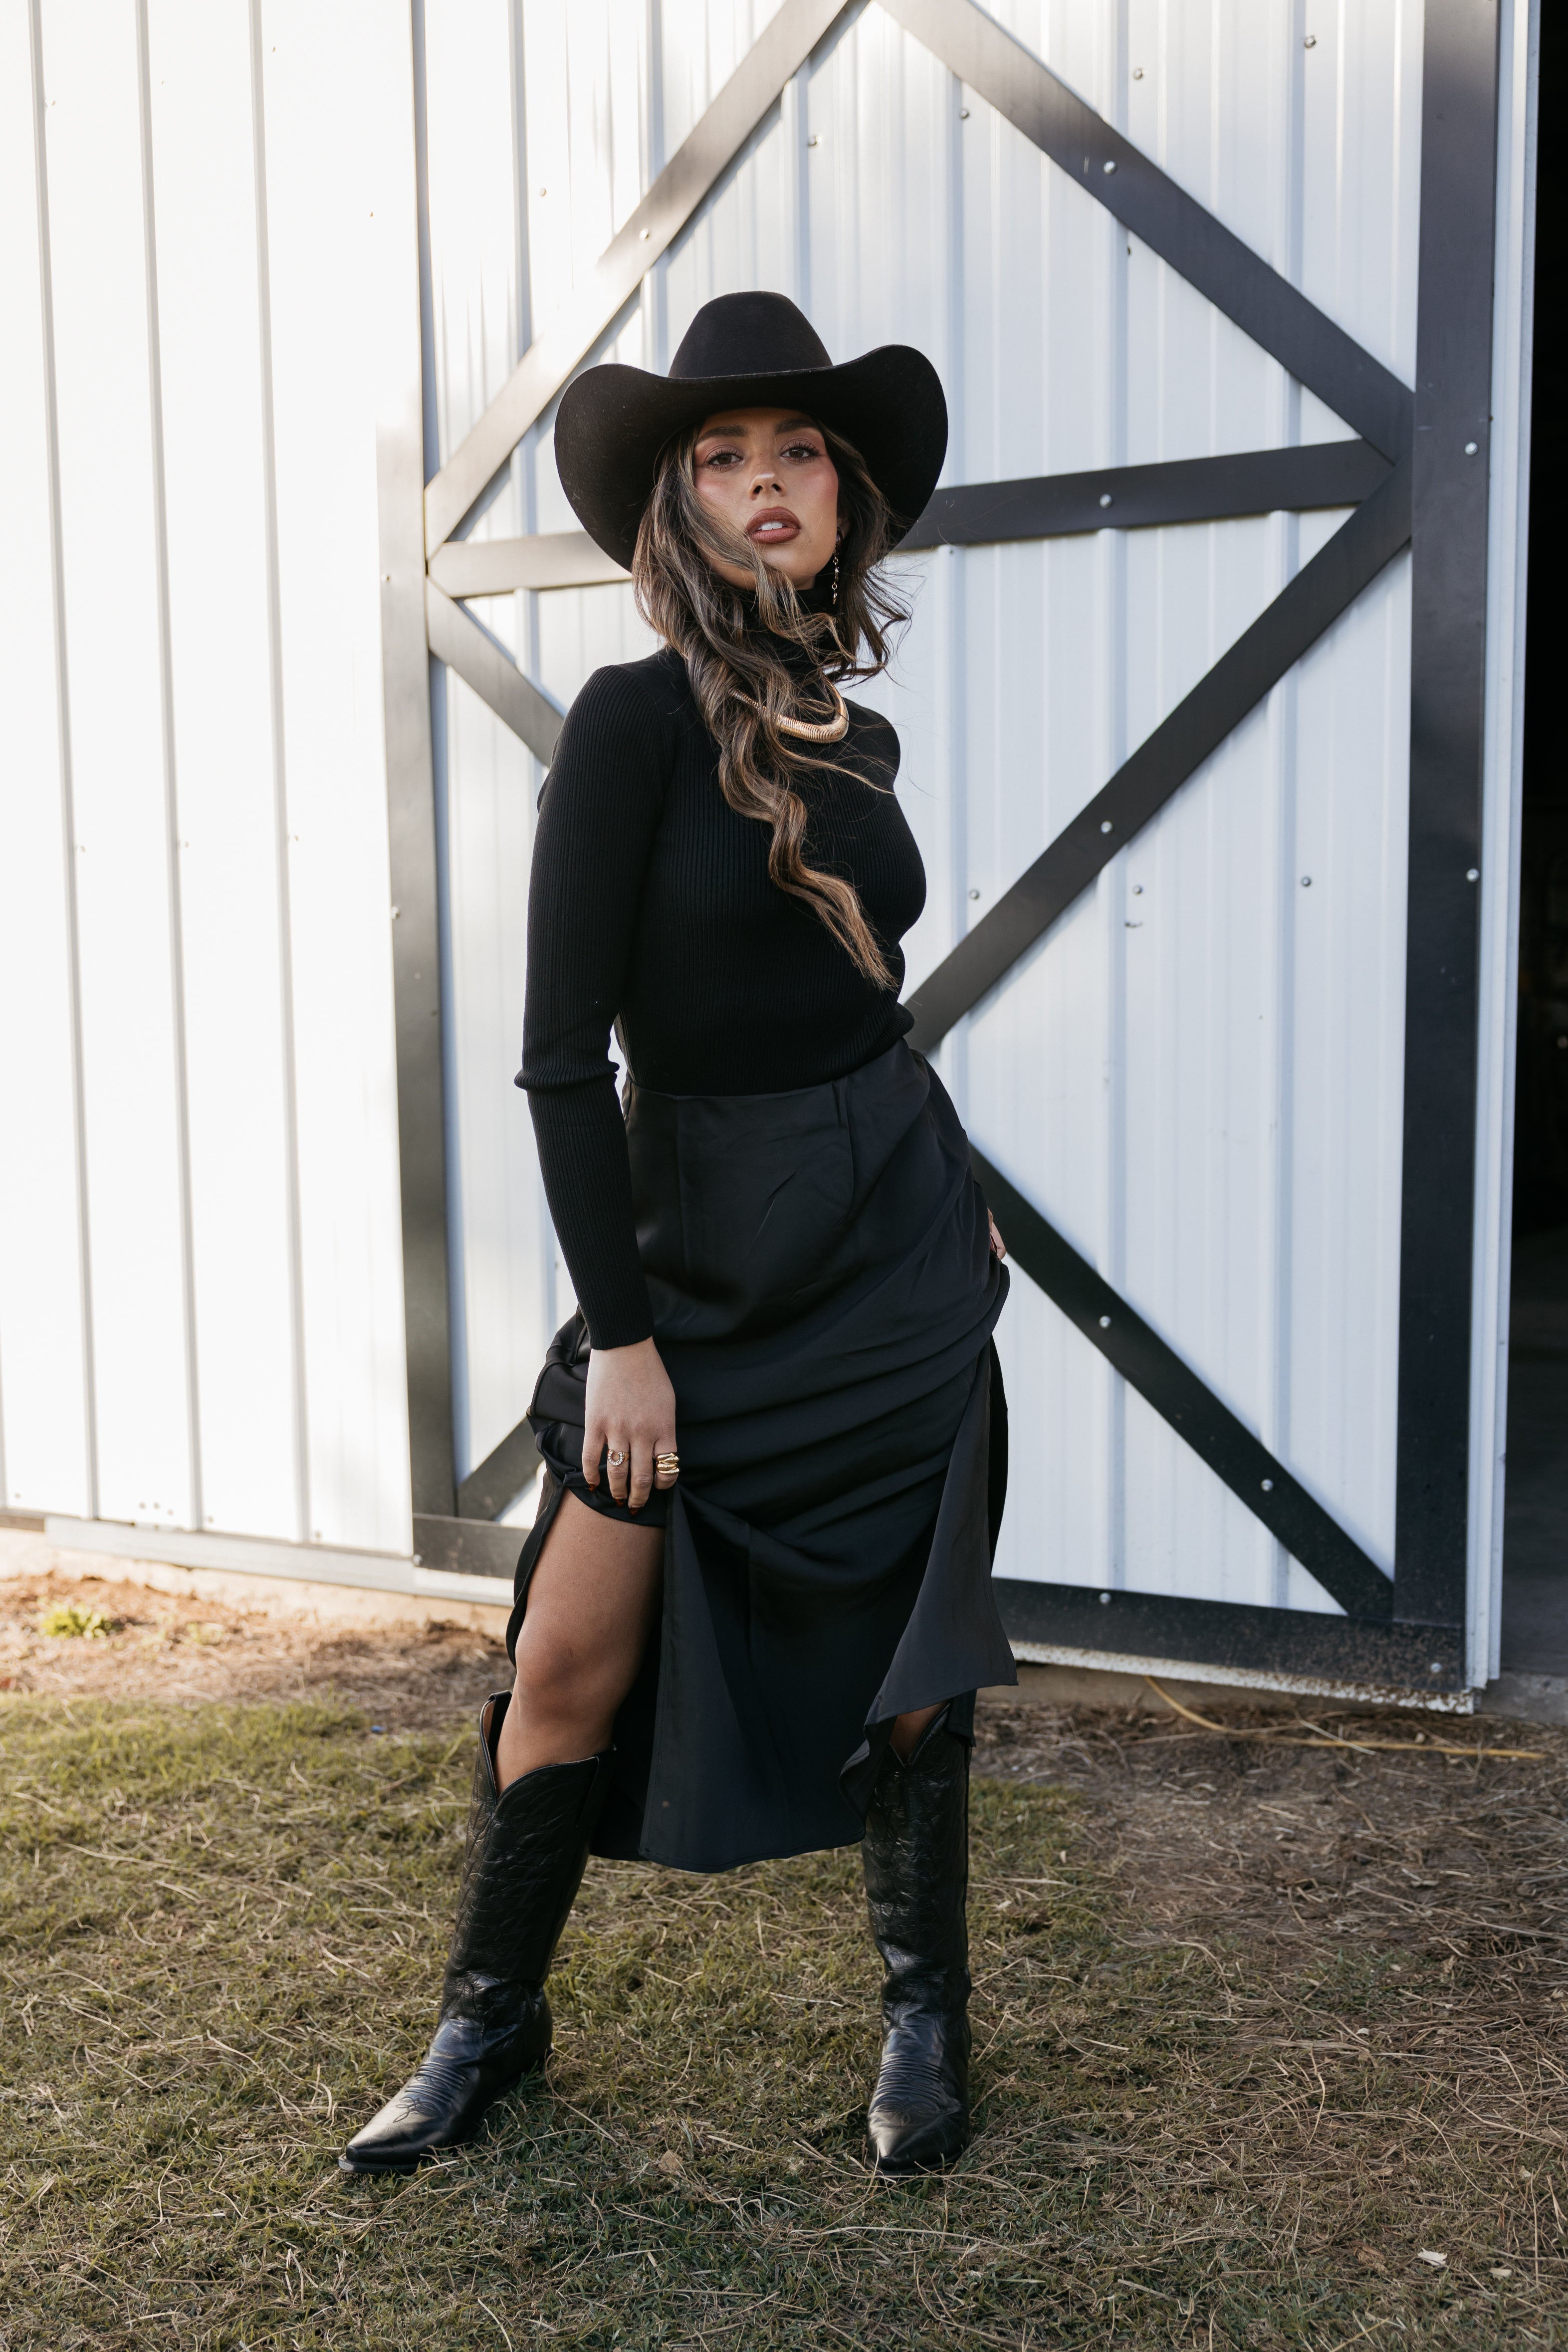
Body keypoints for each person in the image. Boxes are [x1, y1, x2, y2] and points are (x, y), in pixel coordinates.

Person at [341, 291, 1013, 2181]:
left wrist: (936, 1211)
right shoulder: (634, 724)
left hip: (889, 1242)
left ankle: (923, 2016)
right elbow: (565, 1066)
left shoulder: (857, 734)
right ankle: (491, 2021)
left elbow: (853, 1009)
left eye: (795, 447)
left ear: (842, 487)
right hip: (693, 1256)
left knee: (918, 1658)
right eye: (721, 458)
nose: (764, 481)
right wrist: (619, 1336)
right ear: (675, 509)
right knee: (570, 1648)